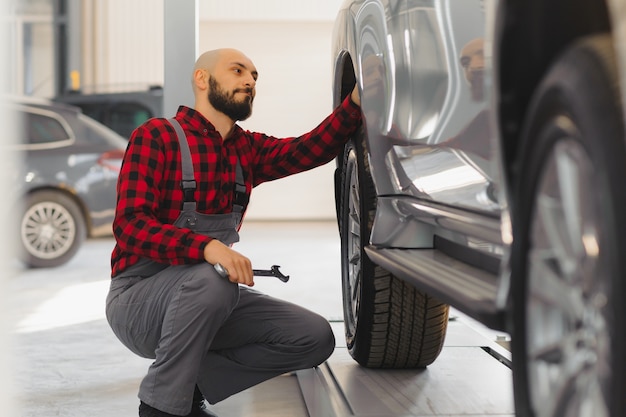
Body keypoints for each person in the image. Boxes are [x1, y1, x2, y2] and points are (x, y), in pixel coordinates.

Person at [105, 48, 362, 417]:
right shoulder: (157, 136)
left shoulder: (246, 149)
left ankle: (190, 384)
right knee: (213, 280)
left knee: (313, 337)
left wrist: (354, 102)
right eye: (237, 70)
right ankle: (160, 406)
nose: (249, 81)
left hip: (208, 297)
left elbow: (310, 149)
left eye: (255, 76)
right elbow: (130, 226)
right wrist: (208, 247)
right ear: (202, 79)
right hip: (138, 301)